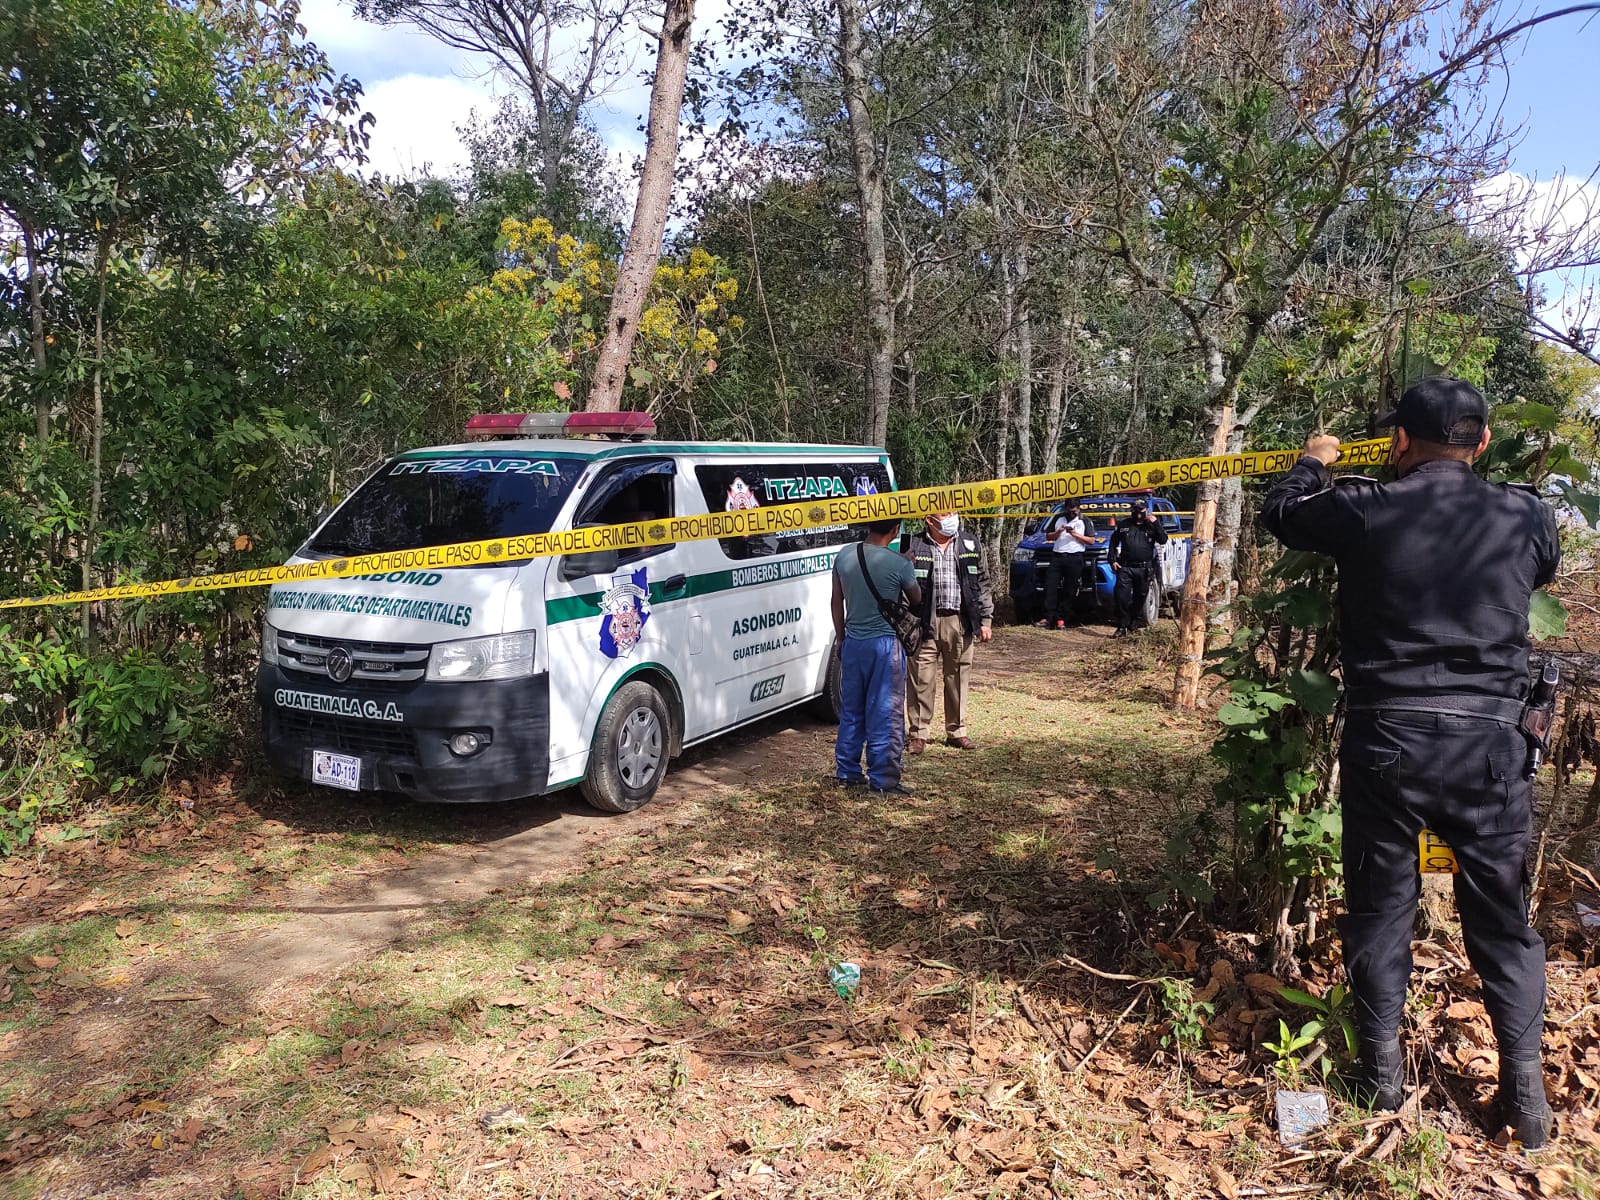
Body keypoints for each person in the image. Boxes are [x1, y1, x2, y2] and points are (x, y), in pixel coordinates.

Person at [1259, 377, 1560, 1149]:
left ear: (1396, 443)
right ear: (1483, 443)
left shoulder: (1365, 507)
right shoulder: (1525, 513)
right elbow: (1542, 569)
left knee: (1382, 903)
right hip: (1491, 744)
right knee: (1501, 918)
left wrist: (1310, 462)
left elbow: (1281, 515)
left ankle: (1382, 1077)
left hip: (1388, 737)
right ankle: (1525, 1098)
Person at [831, 517, 922, 795]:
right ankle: (883, 780)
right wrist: (905, 563)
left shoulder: (844, 555)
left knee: (852, 710)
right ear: (895, 530)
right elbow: (916, 597)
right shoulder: (899, 564)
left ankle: (847, 772)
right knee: (885, 712)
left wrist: (841, 637)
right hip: (885, 646)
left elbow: (836, 600)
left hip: (853, 643)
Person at [903, 512, 994, 753]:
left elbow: (982, 583)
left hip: (959, 622)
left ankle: (957, 731)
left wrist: (985, 619)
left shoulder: (970, 543)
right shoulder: (913, 544)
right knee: (921, 679)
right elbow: (899, 584)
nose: (951, 518)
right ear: (929, 520)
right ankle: (918, 734)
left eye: (953, 513)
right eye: (944, 514)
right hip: (923, 623)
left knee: (958, 677)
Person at [1108, 498, 1168, 636]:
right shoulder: (1124, 525)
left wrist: (1156, 523)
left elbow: (1163, 539)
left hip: (1144, 568)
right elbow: (1113, 542)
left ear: (1146, 510)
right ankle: (1122, 626)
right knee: (1121, 597)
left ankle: (1133, 621)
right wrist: (1112, 560)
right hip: (1126, 567)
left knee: (1140, 597)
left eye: (1140, 509)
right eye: (1135, 509)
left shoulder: (1151, 526)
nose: (1137, 512)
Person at [1037, 501, 1096, 630]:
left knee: (1069, 589)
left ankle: (1061, 618)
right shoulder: (1058, 518)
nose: (1070, 514)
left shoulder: (1084, 520)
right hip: (1057, 556)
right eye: (1068, 511)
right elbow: (1048, 536)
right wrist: (1058, 532)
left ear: (1079, 509)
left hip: (1075, 557)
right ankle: (1048, 617)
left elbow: (1091, 540)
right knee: (1050, 586)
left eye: (1073, 511)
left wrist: (1075, 534)